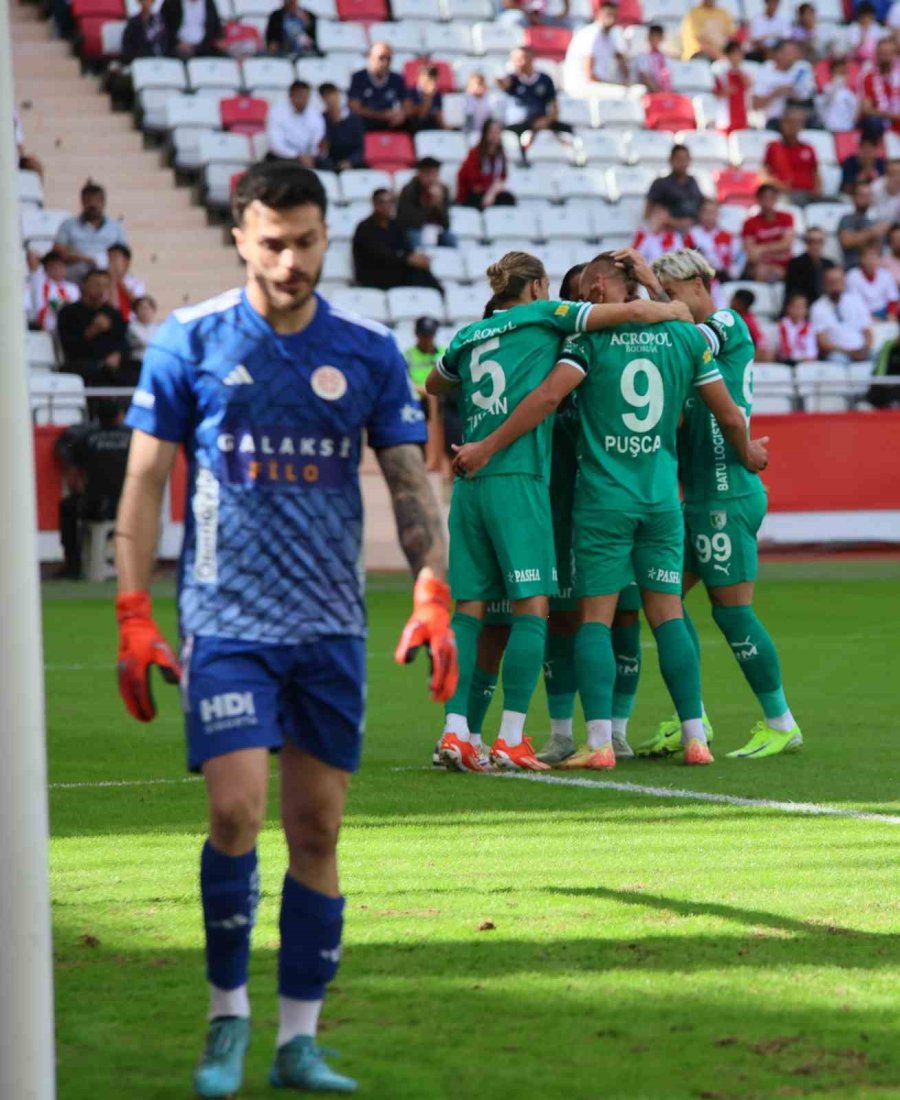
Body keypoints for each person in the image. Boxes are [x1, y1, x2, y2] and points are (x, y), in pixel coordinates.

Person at [114, 161, 455, 1097]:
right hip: (226, 622)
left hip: (330, 628)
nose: (292, 260)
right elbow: (144, 483)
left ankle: (298, 1041)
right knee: (235, 812)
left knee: (318, 827)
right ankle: (227, 1018)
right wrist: (134, 609)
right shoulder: (191, 342)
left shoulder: (369, 351)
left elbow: (407, 482)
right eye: (274, 242)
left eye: (307, 241)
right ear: (240, 236)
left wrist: (432, 587)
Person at [450, 251, 768, 768]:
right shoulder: (685, 337)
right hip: (662, 498)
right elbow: (727, 412)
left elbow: (548, 397)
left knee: (591, 620)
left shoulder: (586, 340)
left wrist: (487, 442)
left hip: (601, 498)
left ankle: (598, 741)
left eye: (583, 288)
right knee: (665, 614)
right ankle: (695, 736)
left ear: (596, 285)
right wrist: (749, 451)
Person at [636, 248, 802, 760]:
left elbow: (682, 331)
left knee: (732, 614)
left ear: (703, 284)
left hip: (727, 495)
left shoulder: (725, 322)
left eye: (675, 291)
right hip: (700, 498)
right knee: (663, 600)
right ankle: (694, 718)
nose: (671, 303)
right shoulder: (691, 349)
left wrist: (649, 290)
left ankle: (780, 721)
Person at [55, 400, 131, 579]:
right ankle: (147, 565)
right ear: (120, 416)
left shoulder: (85, 438)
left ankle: (73, 566)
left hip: (94, 506)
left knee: (67, 506)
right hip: (129, 505)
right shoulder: (133, 437)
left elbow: (74, 475)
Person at [352, 188, 443, 292]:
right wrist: (406, 259)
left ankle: (440, 297)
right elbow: (379, 255)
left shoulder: (396, 225)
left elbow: (406, 247)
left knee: (420, 271)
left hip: (395, 269)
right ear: (374, 204)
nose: (386, 206)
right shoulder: (365, 228)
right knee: (415, 273)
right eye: (382, 202)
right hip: (373, 273)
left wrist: (416, 258)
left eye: (390, 202)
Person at [57, 269, 132, 385]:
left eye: (105, 286)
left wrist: (118, 354)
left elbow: (124, 342)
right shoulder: (68, 312)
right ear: (85, 286)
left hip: (112, 364)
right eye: (97, 285)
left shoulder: (113, 313)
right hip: (83, 363)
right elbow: (69, 345)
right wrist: (92, 330)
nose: (101, 289)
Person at [497, 46, 571, 154]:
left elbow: (555, 107)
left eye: (521, 59)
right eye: (515, 60)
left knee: (569, 132)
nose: (518, 63)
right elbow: (503, 85)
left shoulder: (545, 79)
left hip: (542, 120)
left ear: (531, 58)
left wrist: (546, 121)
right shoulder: (512, 80)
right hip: (519, 125)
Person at [54, 181, 128, 284]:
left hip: (107, 271)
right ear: (82, 202)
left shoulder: (116, 227)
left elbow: (123, 254)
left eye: (97, 200)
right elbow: (58, 250)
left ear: (103, 202)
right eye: (88, 200)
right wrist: (84, 258)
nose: (93, 204)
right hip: (78, 269)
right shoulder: (68, 225)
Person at [562, 2, 629, 96]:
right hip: (581, 85)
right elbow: (589, 74)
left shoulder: (611, 35)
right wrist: (609, 85)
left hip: (597, 84)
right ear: (599, 15)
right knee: (622, 93)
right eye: (609, 15)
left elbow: (621, 61)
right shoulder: (590, 34)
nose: (612, 19)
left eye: (615, 16)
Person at [810, 266, 874, 362]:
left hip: (861, 350)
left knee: (879, 357)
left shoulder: (856, 300)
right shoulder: (818, 307)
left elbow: (867, 331)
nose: (835, 285)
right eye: (831, 282)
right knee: (838, 359)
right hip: (838, 353)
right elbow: (822, 342)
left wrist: (865, 349)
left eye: (838, 281)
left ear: (844, 282)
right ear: (825, 284)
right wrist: (849, 352)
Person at [762, 104, 821, 205]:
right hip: (786, 195)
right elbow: (765, 174)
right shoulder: (774, 148)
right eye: (789, 122)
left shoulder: (808, 148)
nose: (792, 127)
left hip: (809, 195)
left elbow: (815, 172)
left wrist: (818, 189)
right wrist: (779, 186)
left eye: (796, 123)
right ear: (782, 124)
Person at [751, 39, 816, 129]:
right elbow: (756, 105)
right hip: (771, 122)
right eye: (790, 52)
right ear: (778, 54)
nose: (794, 56)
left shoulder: (802, 68)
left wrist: (793, 91)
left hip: (798, 122)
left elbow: (807, 96)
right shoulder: (765, 71)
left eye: (796, 52)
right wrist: (776, 92)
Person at [396, 157, 457, 251]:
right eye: (428, 174)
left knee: (450, 238)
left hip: (436, 230)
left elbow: (446, 224)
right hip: (416, 230)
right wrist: (429, 204)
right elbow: (407, 221)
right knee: (414, 237)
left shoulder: (443, 190)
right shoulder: (409, 190)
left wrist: (438, 205)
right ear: (420, 174)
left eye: (435, 174)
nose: (432, 178)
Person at [348, 43, 409, 133]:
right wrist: (382, 115)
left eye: (388, 59)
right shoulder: (358, 78)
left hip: (390, 121)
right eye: (381, 58)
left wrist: (402, 114)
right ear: (370, 57)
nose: (385, 62)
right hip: (368, 121)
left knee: (410, 122)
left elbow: (408, 105)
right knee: (354, 122)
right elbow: (355, 108)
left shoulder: (397, 79)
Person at [456, 119, 515, 210]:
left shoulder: (501, 155)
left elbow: (502, 177)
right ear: (485, 133)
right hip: (474, 193)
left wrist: (493, 192)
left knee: (508, 199)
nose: (495, 135)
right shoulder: (475, 153)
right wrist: (490, 191)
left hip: (492, 192)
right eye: (492, 132)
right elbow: (472, 182)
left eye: (498, 132)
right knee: (479, 198)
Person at [646, 145, 706, 233]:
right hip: (669, 233)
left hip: (694, 232)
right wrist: (675, 222)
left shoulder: (693, 181)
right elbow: (649, 213)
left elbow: (702, 205)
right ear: (670, 160)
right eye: (678, 159)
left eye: (685, 159)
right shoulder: (661, 183)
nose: (682, 163)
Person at [741, 183, 794, 282]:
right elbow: (751, 254)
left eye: (771, 198)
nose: (768, 202)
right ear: (758, 200)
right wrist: (777, 247)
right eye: (765, 198)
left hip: (785, 266)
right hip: (761, 267)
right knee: (761, 271)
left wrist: (761, 248)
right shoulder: (749, 223)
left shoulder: (787, 218)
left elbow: (787, 244)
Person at [266, 81, 325, 168]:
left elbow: (317, 140)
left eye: (306, 97)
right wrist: (297, 155)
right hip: (284, 156)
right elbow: (275, 144)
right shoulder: (276, 112)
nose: (303, 100)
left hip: (308, 156)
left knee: (326, 165)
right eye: (299, 96)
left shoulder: (315, 114)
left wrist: (310, 155)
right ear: (291, 96)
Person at [838, 180, 891, 268]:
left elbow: (879, 248)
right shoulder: (847, 219)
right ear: (853, 197)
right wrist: (872, 233)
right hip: (853, 266)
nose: (865, 199)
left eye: (868, 195)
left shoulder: (874, 221)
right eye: (861, 195)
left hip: (876, 268)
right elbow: (846, 241)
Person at [25, 249, 79, 334]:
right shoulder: (39, 281)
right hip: (42, 328)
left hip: (64, 329)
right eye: (53, 267)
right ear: (46, 269)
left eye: (60, 267)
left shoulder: (73, 288)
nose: (57, 270)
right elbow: (32, 255)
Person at [685, 198, 738, 281]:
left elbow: (734, 261)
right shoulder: (692, 234)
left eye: (712, 212)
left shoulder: (728, 236)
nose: (709, 216)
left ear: (718, 214)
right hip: (700, 277)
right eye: (706, 212)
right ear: (700, 213)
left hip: (723, 278)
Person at [782, 225, 834, 307]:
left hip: (826, 309)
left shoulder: (830, 265)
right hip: (804, 309)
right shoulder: (795, 265)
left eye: (819, 241)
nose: (815, 245)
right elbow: (795, 294)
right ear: (806, 243)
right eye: (811, 241)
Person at [317, 83, 364, 171]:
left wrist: (350, 161)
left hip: (351, 161)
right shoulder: (321, 119)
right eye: (326, 96)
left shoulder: (354, 120)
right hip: (331, 162)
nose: (330, 99)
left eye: (332, 95)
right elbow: (323, 148)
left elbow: (360, 148)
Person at [859, 37, 900, 137]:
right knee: (872, 122)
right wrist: (891, 115)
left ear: (895, 55)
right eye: (883, 53)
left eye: (889, 53)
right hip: (879, 121)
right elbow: (866, 109)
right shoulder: (868, 77)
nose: (886, 57)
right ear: (876, 55)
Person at [847, 243, 900, 318]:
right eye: (867, 258)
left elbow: (892, 299)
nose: (871, 261)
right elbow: (854, 302)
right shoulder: (853, 276)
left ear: (879, 259)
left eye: (874, 258)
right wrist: (869, 318)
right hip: (862, 314)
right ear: (861, 259)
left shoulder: (885, 274)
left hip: (884, 312)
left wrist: (891, 315)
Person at [714, 39, 751, 132]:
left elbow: (749, 85)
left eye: (739, 53)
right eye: (735, 53)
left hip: (742, 118)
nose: (738, 57)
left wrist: (738, 71)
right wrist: (725, 91)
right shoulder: (720, 73)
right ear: (728, 55)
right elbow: (716, 93)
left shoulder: (745, 72)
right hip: (726, 118)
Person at [819, 58, 860, 134]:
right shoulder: (827, 88)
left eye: (843, 73)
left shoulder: (850, 93)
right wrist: (835, 84)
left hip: (847, 128)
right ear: (832, 73)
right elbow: (824, 102)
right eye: (839, 72)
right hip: (830, 128)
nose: (841, 76)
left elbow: (855, 111)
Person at [107, 243, 145, 324]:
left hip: (131, 323)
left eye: (115, 258)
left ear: (126, 262)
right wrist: (111, 281)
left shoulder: (136, 283)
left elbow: (137, 304)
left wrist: (119, 280)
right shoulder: (103, 282)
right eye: (109, 258)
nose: (110, 262)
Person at [777, 291, 817, 364]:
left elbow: (811, 350)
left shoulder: (809, 327)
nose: (798, 310)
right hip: (786, 360)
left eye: (801, 307)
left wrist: (809, 357)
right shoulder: (782, 324)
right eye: (795, 307)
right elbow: (782, 348)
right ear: (788, 308)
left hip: (805, 360)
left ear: (806, 310)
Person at [634, 24, 672, 92]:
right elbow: (644, 75)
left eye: (657, 36)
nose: (654, 39)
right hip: (650, 92)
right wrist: (656, 90)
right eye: (652, 36)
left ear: (662, 38)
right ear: (648, 37)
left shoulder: (665, 57)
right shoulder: (643, 56)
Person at [730, 287, 767, 356]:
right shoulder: (727, 315)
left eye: (734, 300)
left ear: (742, 304)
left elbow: (759, 339)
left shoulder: (749, 321)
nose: (731, 301)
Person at [407, 65, 445, 132]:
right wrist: (428, 98)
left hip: (433, 128)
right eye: (429, 80)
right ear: (419, 78)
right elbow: (420, 118)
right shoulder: (410, 93)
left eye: (434, 80)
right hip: (415, 129)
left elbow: (439, 118)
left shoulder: (437, 95)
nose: (432, 83)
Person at [127, 295, 161, 360]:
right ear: (136, 311)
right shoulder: (131, 327)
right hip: (138, 362)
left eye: (147, 308)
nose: (144, 312)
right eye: (141, 309)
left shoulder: (159, 327)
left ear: (153, 310)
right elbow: (143, 342)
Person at [870, 157, 900, 221]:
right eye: (893, 174)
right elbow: (869, 213)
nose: (897, 178)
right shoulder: (875, 187)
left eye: (899, 174)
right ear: (886, 174)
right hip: (875, 223)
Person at [464, 72, 493, 136]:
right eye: (478, 84)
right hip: (470, 134)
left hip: (485, 135)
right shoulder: (466, 99)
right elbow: (468, 120)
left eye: (482, 84)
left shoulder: (490, 99)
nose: (480, 87)